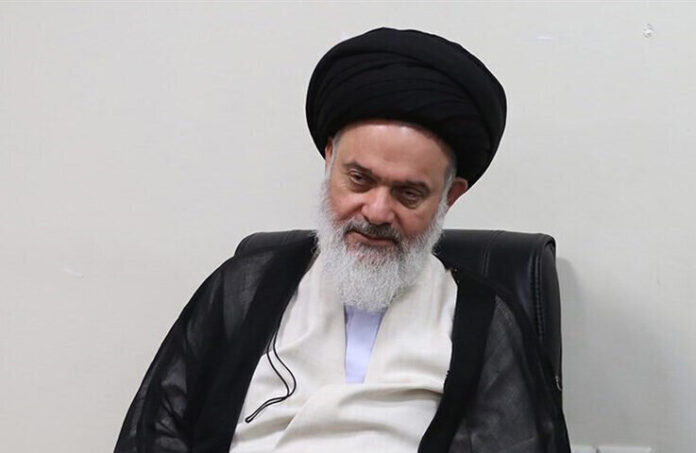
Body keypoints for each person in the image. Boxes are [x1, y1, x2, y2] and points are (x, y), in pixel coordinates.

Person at [115, 28, 570, 452]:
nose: (376, 212)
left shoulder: (485, 321)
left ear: (450, 196)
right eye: (359, 180)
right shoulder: (244, 288)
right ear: (329, 159)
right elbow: (155, 432)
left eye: (408, 194)